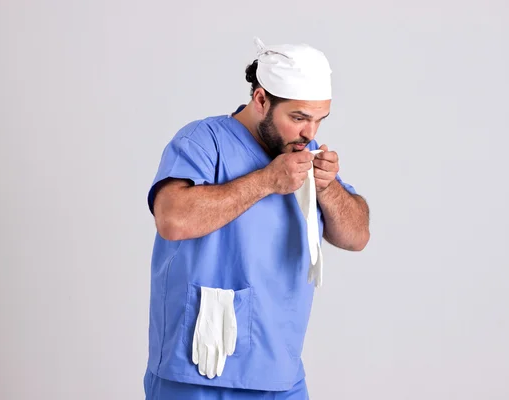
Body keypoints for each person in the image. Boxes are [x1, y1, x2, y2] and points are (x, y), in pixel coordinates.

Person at [143, 37, 370, 399]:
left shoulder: (303, 152)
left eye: (318, 120)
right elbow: (172, 218)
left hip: (281, 375)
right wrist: (266, 181)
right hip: (198, 372)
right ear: (261, 99)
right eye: (298, 117)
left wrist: (329, 190)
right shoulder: (204, 141)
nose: (309, 133)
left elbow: (357, 236)